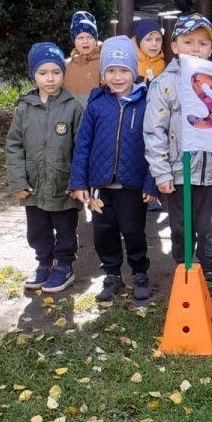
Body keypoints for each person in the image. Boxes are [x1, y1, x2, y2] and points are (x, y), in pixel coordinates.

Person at [143, 15, 212, 302]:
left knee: (209, 226)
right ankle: (183, 269)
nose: (195, 48)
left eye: (202, 43)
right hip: (178, 173)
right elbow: (154, 132)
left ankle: (209, 272)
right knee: (180, 227)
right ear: (175, 46)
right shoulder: (164, 84)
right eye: (188, 42)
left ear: (211, 49)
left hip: (211, 172)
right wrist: (161, 172)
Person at [69, 36, 155, 303]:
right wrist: (79, 183)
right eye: (111, 71)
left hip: (133, 184)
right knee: (103, 232)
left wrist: (152, 182)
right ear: (103, 74)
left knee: (133, 230)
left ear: (134, 71)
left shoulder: (146, 103)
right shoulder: (96, 105)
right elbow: (83, 146)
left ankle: (140, 273)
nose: (117, 77)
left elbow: (156, 144)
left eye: (123, 70)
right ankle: (112, 275)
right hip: (101, 186)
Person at [6, 43, 83, 294]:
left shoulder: (73, 107)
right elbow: (14, 146)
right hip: (33, 185)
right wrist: (18, 181)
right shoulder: (24, 108)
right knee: (37, 228)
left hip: (64, 186)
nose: (50, 78)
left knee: (65, 227)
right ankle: (44, 264)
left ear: (63, 73)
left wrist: (78, 182)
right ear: (33, 75)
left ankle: (64, 266)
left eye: (56, 72)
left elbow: (81, 148)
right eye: (43, 73)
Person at [64, 10, 102, 109]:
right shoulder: (66, 65)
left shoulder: (101, 63)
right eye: (80, 38)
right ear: (74, 41)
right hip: (70, 116)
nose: (85, 41)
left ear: (95, 39)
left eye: (90, 37)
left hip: (93, 115)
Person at [132, 19, 166, 83]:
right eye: (148, 40)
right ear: (138, 41)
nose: (154, 44)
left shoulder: (163, 65)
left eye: (158, 40)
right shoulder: (130, 61)